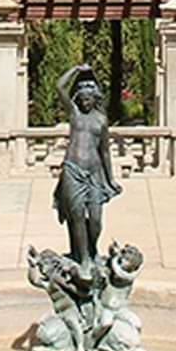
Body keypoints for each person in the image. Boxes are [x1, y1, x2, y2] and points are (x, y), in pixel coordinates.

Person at [52, 63, 122, 282]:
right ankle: (83, 258)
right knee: (78, 218)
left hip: (94, 174)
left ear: (95, 99)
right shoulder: (74, 114)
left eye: (88, 99)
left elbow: (105, 152)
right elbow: (59, 87)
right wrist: (75, 70)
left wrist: (111, 179)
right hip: (72, 170)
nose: (84, 102)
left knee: (96, 221)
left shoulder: (101, 121)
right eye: (81, 98)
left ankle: (90, 250)